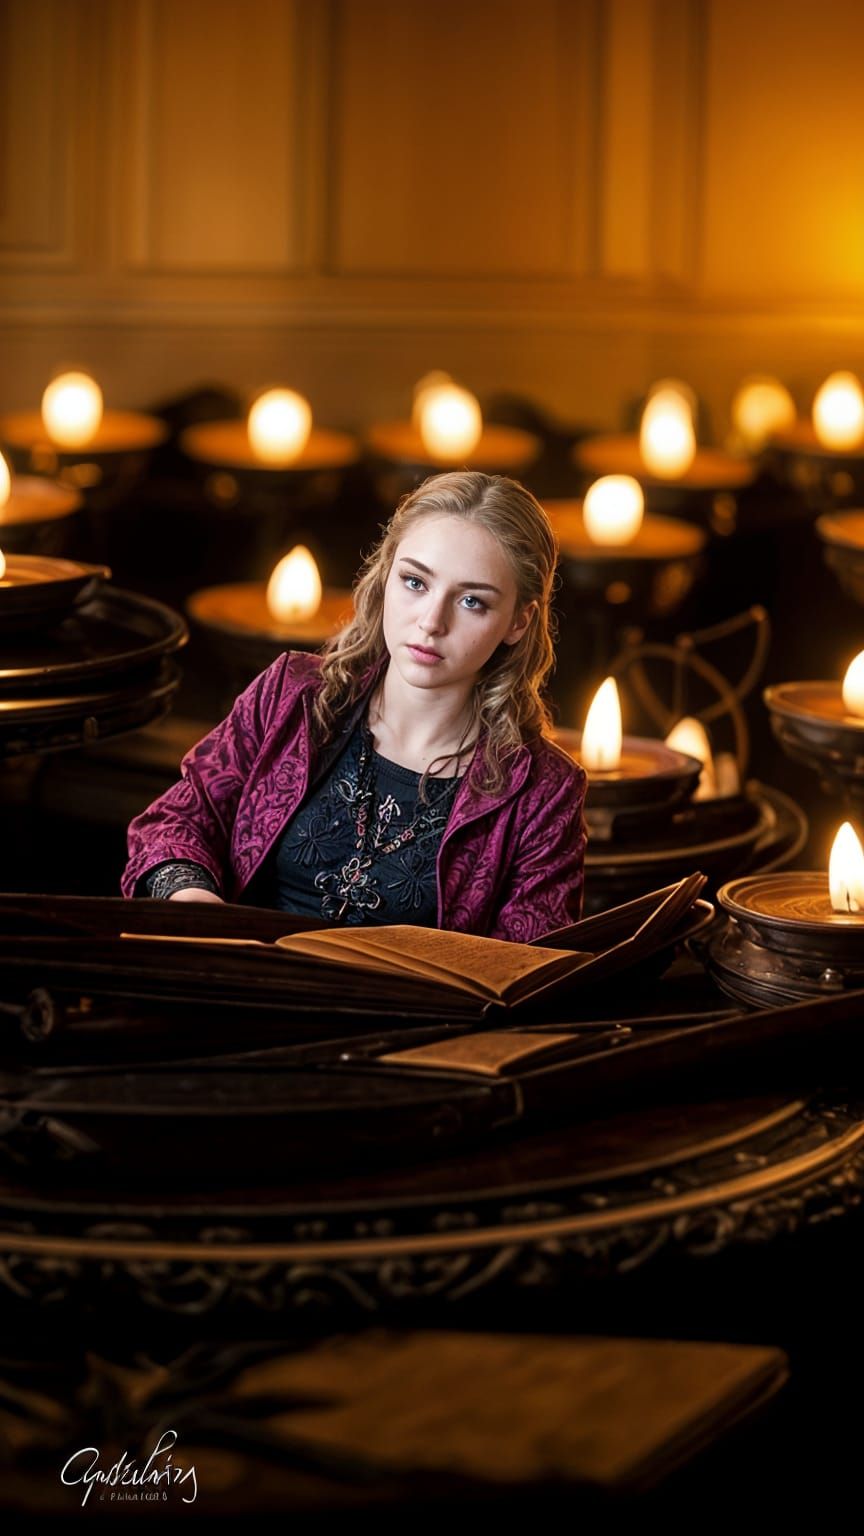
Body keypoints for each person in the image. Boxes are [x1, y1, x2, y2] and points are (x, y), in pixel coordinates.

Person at [122, 470, 587, 942]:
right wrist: (193, 901)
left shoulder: (543, 791)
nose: (431, 622)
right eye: (415, 582)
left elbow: (529, 965)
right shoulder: (293, 694)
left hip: (409, 1014)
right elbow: (176, 822)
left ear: (518, 622)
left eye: (471, 601)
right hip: (242, 987)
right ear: (386, 577)